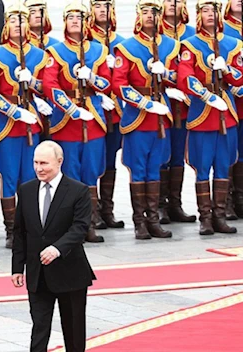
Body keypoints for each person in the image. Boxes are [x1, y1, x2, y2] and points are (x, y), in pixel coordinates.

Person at [12, 140, 95, 352]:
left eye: (44, 163)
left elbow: (80, 227)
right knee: (39, 327)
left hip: (70, 272)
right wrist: (17, 268)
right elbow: (20, 231)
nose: (39, 168)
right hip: (37, 273)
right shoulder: (26, 190)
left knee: (73, 329)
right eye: (36, 163)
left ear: (59, 162)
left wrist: (57, 248)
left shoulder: (78, 191)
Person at [0, 1, 49, 249]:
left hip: (31, 125)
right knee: (9, 178)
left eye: (21, 20)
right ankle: (12, 230)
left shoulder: (40, 56)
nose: (17, 25)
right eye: (12, 21)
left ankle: (31, 226)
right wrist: (13, 111)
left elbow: (48, 87)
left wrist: (34, 85)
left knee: (32, 177)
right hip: (8, 126)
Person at [42, 1, 110, 243]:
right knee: (69, 174)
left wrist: (91, 77)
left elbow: (107, 83)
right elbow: (50, 85)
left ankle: (89, 224)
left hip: (92, 119)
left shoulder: (99, 50)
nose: (74, 22)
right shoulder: (56, 52)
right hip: (67, 121)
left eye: (79, 18)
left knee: (91, 173)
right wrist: (71, 109)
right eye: (70, 18)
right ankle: (70, 226)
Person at [113, 0, 179, 240]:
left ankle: (153, 219)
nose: (150, 17)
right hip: (138, 117)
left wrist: (166, 74)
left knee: (155, 168)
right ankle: (139, 221)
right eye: (145, 12)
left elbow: (178, 78)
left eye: (154, 12)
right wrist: (144, 103)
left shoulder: (170, 45)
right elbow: (119, 84)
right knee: (138, 170)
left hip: (161, 116)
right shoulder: (127, 47)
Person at [178, 0, 243, 235]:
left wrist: (226, 70)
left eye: (213, 11)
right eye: (205, 11)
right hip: (202, 114)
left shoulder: (233, 44)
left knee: (224, 166)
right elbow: (185, 77)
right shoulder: (190, 45)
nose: (209, 15)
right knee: (203, 167)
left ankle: (220, 215)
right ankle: (205, 217)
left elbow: (239, 77)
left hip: (227, 113)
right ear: (198, 16)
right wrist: (206, 95)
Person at [157, 0, 197, 224]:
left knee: (179, 152)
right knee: (163, 151)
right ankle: (160, 205)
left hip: (187, 103)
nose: (173, 4)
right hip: (163, 102)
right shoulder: (156, 33)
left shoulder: (192, 34)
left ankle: (175, 204)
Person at [88, 0, 126, 229]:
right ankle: (92, 211)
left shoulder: (120, 43)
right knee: (94, 160)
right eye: (98, 5)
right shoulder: (87, 42)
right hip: (93, 110)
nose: (103, 10)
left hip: (115, 111)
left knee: (110, 160)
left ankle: (107, 209)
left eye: (107, 5)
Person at [223, 0, 243, 220]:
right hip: (233, 102)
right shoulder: (224, 30)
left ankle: (240, 199)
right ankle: (227, 201)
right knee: (230, 153)